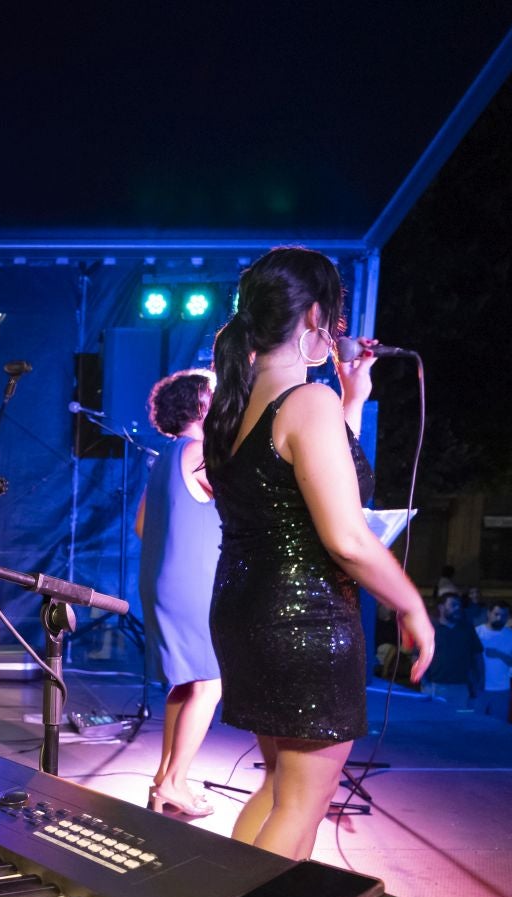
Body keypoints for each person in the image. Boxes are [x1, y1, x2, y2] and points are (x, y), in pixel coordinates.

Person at [204, 247, 433, 859]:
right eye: (333, 321)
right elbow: (347, 538)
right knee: (301, 804)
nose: (338, 332)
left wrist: (352, 394)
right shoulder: (307, 404)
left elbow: (305, 478)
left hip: (247, 610)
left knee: (282, 786)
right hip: (302, 618)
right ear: (312, 317)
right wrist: (411, 605)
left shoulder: (234, 407)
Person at [135, 368, 222, 817]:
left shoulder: (167, 456)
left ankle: (163, 781)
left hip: (160, 580)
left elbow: (141, 526)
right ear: (202, 406)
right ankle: (175, 783)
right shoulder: (200, 451)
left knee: (185, 681)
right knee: (209, 683)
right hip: (190, 582)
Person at [422, 592, 482, 710]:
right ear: (441, 607)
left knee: (457, 723)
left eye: (459, 605)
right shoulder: (430, 629)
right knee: (435, 722)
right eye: (453, 605)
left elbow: (477, 656)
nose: (457, 608)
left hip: (462, 687)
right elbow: (418, 658)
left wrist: (479, 682)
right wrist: (425, 683)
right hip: (436, 685)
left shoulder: (467, 629)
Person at [476, 603, 512, 722]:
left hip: (501, 690)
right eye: (496, 614)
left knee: (499, 727)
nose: (499, 618)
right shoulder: (477, 632)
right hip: (478, 689)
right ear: (488, 613)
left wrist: (499, 654)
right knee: (475, 725)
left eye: (503, 615)